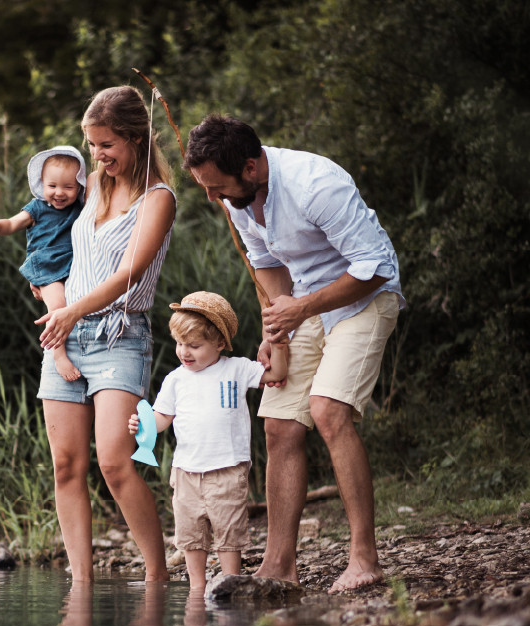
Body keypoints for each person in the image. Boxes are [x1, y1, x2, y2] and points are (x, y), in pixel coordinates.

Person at [184, 114, 405, 594]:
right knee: (280, 424)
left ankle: (364, 559)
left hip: (366, 298)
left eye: (218, 187)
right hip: (305, 306)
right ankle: (279, 565)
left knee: (327, 411)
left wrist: (300, 307)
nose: (213, 198)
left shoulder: (315, 184)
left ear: (251, 166)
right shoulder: (237, 200)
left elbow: (375, 267)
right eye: (206, 188)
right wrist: (275, 325)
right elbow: (267, 265)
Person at [35, 85, 177, 583]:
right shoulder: (91, 183)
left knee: (116, 462)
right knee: (66, 466)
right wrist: (53, 296)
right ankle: (81, 584)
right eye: (93, 145)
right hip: (66, 337)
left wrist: (71, 311)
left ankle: (157, 577)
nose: (97, 156)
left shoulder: (159, 198)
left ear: (136, 139)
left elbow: (130, 275)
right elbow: (47, 241)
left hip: (121, 336)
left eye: (107, 145)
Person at [128, 291, 287, 597]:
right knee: (190, 535)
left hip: (227, 469)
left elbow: (276, 373)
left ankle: (231, 581)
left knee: (229, 531)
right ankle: (197, 588)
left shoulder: (236, 368)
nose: (184, 352)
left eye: (194, 345)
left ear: (219, 343)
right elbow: (162, 418)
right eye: (180, 343)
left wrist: (278, 344)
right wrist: (142, 424)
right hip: (186, 472)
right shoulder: (176, 379)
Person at [0, 146, 88, 381]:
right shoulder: (37, 207)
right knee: (58, 306)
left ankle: (80, 346)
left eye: (68, 187)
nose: (59, 193)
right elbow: (13, 223)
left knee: (76, 303)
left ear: (79, 186)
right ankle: (58, 355)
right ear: (42, 184)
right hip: (46, 265)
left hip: (72, 265)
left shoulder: (80, 209)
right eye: (52, 186)